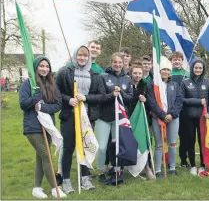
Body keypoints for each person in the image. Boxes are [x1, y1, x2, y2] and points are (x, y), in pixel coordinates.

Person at [55, 46, 105, 193]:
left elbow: (101, 95)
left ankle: (85, 178)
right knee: (69, 148)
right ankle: (66, 180)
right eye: (80, 55)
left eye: (85, 56)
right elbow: (57, 92)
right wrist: (68, 99)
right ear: (75, 56)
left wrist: (86, 98)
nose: (82, 58)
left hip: (87, 117)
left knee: (84, 147)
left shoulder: (95, 74)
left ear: (88, 57)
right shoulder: (65, 71)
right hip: (69, 115)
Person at [19, 55, 66, 198]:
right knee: (46, 156)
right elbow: (23, 104)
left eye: (47, 66)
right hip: (33, 127)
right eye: (41, 66)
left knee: (41, 157)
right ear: (35, 68)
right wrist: (36, 97)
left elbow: (58, 104)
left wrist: (42, 107)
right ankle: (54, 188)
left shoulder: (52, 84)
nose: (44, 69)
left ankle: (37, 188)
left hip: (47, 126)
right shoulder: (28, 84)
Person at [95, 52, 133, 185]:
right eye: (115, 62)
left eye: (120, 62)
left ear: (123, 64)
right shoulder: (103, 76)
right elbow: (100, 97)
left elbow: (129, 99)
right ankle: (100, 171)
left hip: (119, 119)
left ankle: (117, 170)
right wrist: (112, 94)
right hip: (104, 118)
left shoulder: (127, 79)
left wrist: (121, 92)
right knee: (102, 147)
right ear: (111, 62)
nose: (117, 65)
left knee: (117, 145)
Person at [148, 57, 183, 177]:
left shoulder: (175, 85)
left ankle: (172, 168)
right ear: (159, 70)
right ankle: (157, 170)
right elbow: (152, 102)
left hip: (173, 118)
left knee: (172, 143)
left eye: (168, 70)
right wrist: (163, 115)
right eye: (163, 69)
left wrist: (171, 115)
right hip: (158, 118)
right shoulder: (153, 85)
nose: (165, 72)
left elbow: (179, 101)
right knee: (159, 145)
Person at [180, 57, 209, 176]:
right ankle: (193, 165)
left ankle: (202, 165)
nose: (198, 69)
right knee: (190, 141)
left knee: (202, 142)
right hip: (188, 117)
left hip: (203, 118)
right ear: (192, 68)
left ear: (203, 69)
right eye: (196, 67)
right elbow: (182, 99)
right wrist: (197, 101)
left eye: (200, 68)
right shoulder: (185, 82)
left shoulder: (208, 82)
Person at [127, 61, 154, 179]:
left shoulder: (145, 85)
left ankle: (147, 167)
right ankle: (131, 168)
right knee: (130, 143)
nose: (137, 75)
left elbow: (150, 102)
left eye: (140, 73)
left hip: (142, 119)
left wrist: (145, 99)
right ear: (131, 73)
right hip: (128, 118)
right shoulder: (126, 83)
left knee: (144, 143)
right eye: (135, 73)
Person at [170, 52, 190, 168]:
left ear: (182, 61)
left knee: (184, 136)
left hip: (184, 110)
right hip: (170, 109)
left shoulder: (186, 74)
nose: (177, 61)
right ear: (171, 61)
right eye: (174, 59)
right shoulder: (167, 73)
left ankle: (183, 160)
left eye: (179, 60)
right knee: (168, 137)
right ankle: (167, 161)